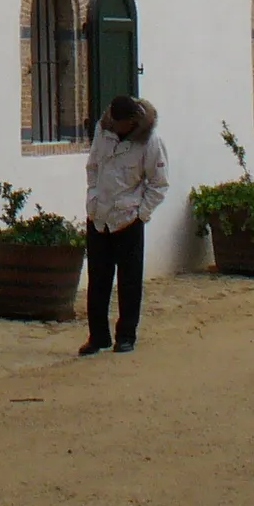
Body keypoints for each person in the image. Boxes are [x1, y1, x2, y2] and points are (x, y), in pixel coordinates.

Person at [82, 95, 167, 354]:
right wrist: (93, 196)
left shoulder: (150, 143)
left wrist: (141, 213)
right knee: (98, 280)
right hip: (99, 217)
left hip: (128, 219)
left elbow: (159, 184)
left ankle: (126, 335)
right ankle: (98, 336)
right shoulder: (102, 131)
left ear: (132, 122)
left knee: (129, 282)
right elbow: (93, 166)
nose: (115, 127)